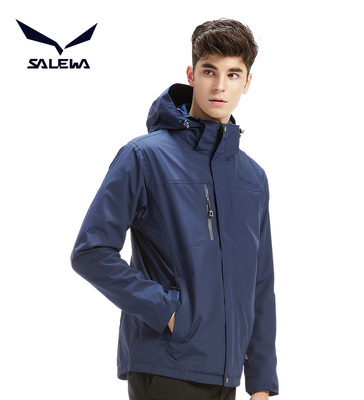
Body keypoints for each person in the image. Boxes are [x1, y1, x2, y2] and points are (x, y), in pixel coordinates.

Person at [71, 18, 279, 400]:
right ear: (191, 74)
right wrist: (167, 312)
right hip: (165, 368)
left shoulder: (252, 178)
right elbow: (91, 251)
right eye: (209, 71)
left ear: (247, 82)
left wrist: (261, 381)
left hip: (227, 377)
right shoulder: (144, 157)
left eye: (233, 74)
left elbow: (260, 283)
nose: (220, 86)